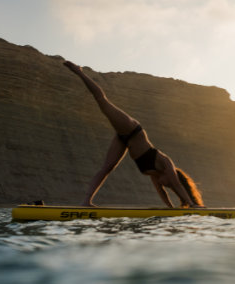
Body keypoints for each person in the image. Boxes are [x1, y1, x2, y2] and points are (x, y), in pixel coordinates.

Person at [64, 61, 205, 208]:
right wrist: (191, 203)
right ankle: (79, 71)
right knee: (102, 101)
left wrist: (170, 208)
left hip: (124, 140)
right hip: (132, 130)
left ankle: (86, 202)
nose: (166, 186)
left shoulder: (155, 175)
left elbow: (162, 194)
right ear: (170, 177)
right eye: (169, 184)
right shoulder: (166, 163)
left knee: (107, 167)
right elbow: (177, 185)